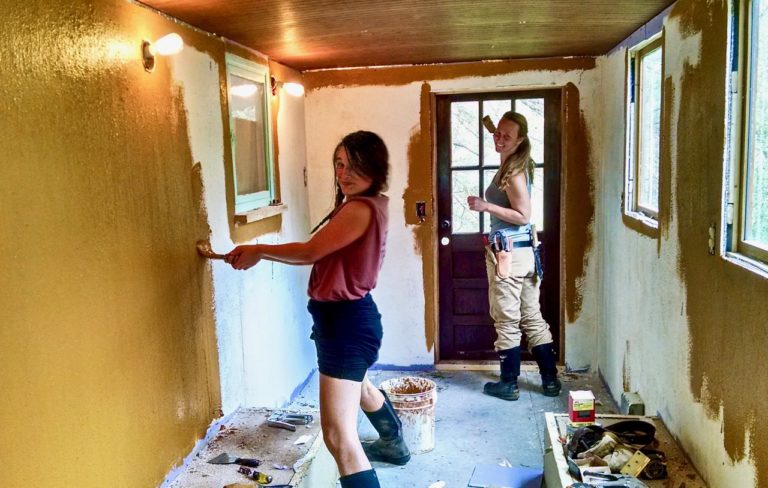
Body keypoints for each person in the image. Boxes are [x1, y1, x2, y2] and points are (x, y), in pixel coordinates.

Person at [225, 131, 409, 488]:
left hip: (345, 324)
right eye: (340, 164)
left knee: (339, 438)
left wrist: (259, 250)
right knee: (362, 388)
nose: (344, 173)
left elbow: (311, 251)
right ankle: (396, 445)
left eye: (354, 165)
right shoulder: (374, 203)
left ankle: (391, 447)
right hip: (352, 318)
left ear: (374, 167)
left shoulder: (359, 207)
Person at [466, 111, 561, 401]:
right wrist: (499, 136)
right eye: (498, 133)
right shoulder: (514, 162)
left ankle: (508, 385)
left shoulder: (515, 171)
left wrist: (485, 206)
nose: (499, 138)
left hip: (508, 255)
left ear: (521, 139)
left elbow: (523, 216)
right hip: (524, 254)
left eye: (508, 135)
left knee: (507, 319)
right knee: (532, 316)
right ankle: (550, 382)